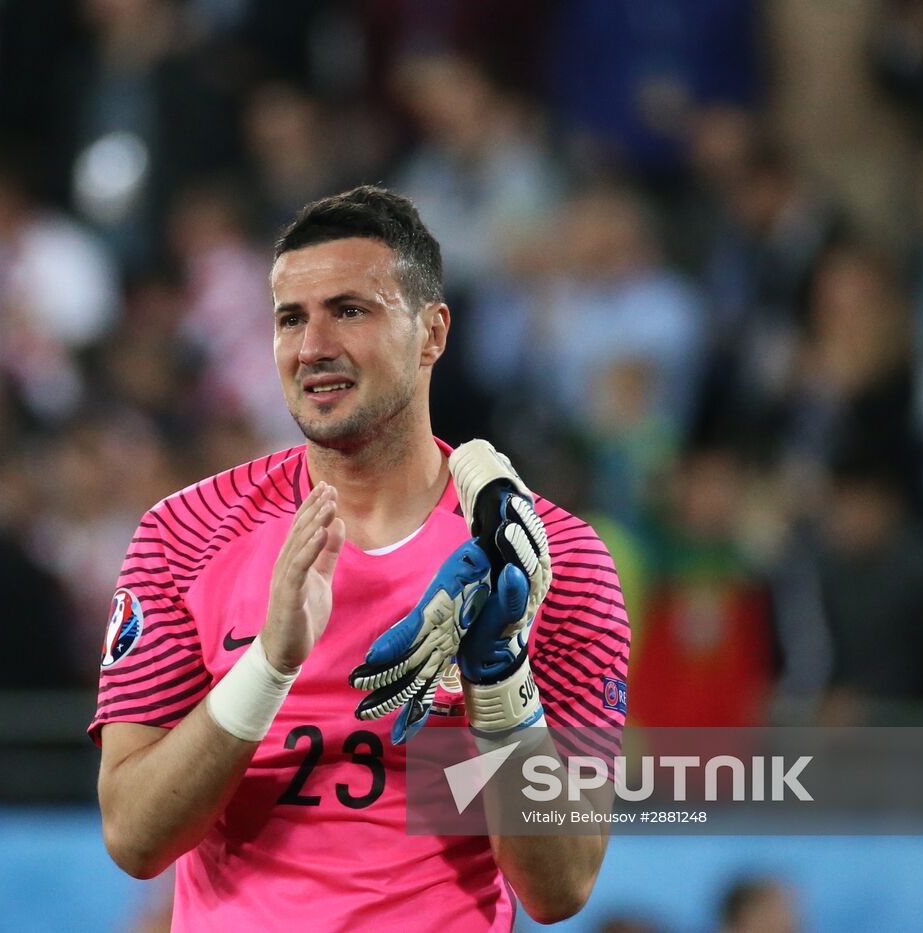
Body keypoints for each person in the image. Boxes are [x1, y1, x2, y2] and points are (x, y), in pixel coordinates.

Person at [92, 186, 630, 930]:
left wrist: (498, 673)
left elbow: (560, 885)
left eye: (349, 309)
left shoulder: (552, 558)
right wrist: (270, 666)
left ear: (432, 332)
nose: (312, 346)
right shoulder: (184, 534)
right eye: (290, 318)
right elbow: (133, 834)